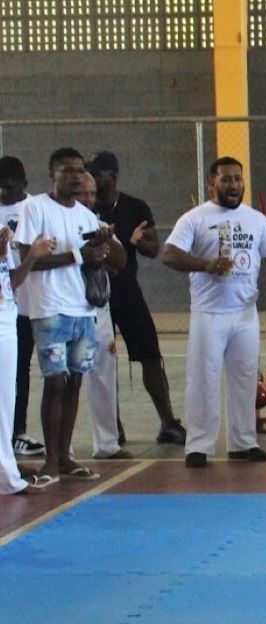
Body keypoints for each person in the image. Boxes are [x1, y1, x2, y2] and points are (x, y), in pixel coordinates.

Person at [160, 156, 266, 469]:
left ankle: (243, 442)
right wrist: (205, 265)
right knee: (203, 379)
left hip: (245, 313)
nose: (233, 185)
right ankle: (199, 445)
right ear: (211, 183)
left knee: (245, 377)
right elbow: (169, 253)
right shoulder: (194, 218)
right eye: (226, 179)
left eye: (237, 179)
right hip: (209, 314)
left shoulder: (256, 219)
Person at [13, 147, 124, 484]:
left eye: (79, 170)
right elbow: (25, 260)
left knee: (75, 380)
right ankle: (50, 459)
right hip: (49, 308)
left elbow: (115, 261)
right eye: (67, 170)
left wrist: (107, 243)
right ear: (52, 173)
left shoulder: (86, 216)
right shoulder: (35, 208)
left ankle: (64, 458)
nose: (75, 176)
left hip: (83, 308)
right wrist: (79, 254)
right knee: (56, 380)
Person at [87, 150, 186, 446]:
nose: (91, 178)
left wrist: (140, 241)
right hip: (93, 295)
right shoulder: (84, 209)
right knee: (102, 361)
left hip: (127, 291)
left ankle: (168, 421)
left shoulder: (135, 207)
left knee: (151, 356)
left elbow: (154, 248)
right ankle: (111, 427)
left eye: (97, 173)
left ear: (113, 177)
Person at [75, 172, 131, 460]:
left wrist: (108, 243)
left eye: (92, 194)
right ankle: (63, 450)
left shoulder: (98, 225)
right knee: (66, 382)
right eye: (83, 193)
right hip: (70, 313)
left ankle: (107, 443)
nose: (88, 199)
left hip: (100, 311)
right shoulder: (58, 222)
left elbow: (121, 261)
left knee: (104, 376)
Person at [0, 206, 55, 493]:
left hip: (6, 319)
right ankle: (7, 475)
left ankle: (6, 469)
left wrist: (32, 255)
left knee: (5, 402)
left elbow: (11, 281)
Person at [0, 156, 45, 459]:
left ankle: (18, 432)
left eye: (9, 187)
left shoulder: (34, 208)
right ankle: (12, 433)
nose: (3, 193)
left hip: (33, 298)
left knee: (22, 369)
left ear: (23, 183)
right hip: (6, 298)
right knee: (12, 371)